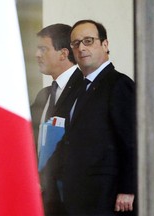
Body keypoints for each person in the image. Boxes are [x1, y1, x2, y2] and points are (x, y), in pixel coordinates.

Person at [40, 20, 136, 215]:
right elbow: (69, 141)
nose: (81, 48)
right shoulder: (82, 88)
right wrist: (40, 178)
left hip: (107, 198)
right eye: (76, 43)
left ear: (105, 45)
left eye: (88, 41)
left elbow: (131, 141)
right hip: (80, 197)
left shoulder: (118, 84)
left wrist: (128, 189)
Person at [30, 24, 83, 215]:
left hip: (72, 200)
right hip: (43, 198)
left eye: (43, 48)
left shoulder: (86, 90)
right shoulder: (44, 95)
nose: (37, 54)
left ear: (63, 53)